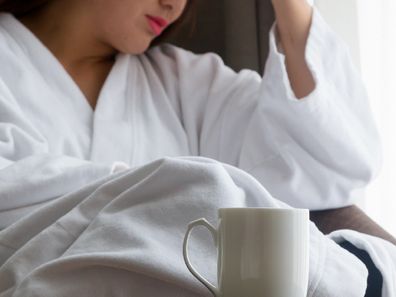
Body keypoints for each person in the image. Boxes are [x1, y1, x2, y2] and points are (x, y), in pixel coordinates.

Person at [0, 0, 394, 296]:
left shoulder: (187, 83)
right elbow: (15, 209)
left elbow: (330, 170)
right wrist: (180, 194)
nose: (174, 5)